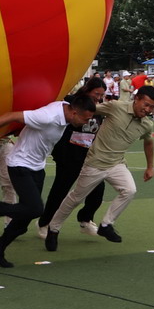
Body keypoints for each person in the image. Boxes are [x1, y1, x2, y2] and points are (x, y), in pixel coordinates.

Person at [0, 95, 96, 268]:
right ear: (74, 112)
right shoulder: (48, 116)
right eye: (85, 119)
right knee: (36, 208)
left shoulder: (67, 111)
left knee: (23, 221)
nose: (86, 123)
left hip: (37, 168)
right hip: (19, 165)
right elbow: (11, 115)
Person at [45, 85, 154, 252]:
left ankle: (106, 225)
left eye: (152, 107)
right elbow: (89, 109)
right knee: (75, 199)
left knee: (130, 190)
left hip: (116, 164)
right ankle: (53, 229)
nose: (148, 109)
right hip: (94, 164)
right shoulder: (115, 107)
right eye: (146, 104)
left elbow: (148, 142)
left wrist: (150, 167)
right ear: (137, 98)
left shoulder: (147, 124)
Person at [37, 77, 107, 238]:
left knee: (98, 188)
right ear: (88, 90)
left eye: (101, 95)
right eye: (96, 93)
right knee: (60, 190)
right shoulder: (71, 102)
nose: (98, 97)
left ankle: (85, 219)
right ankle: (44, 223)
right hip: (67, 154)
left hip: (88, 156)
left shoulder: (98, 109)